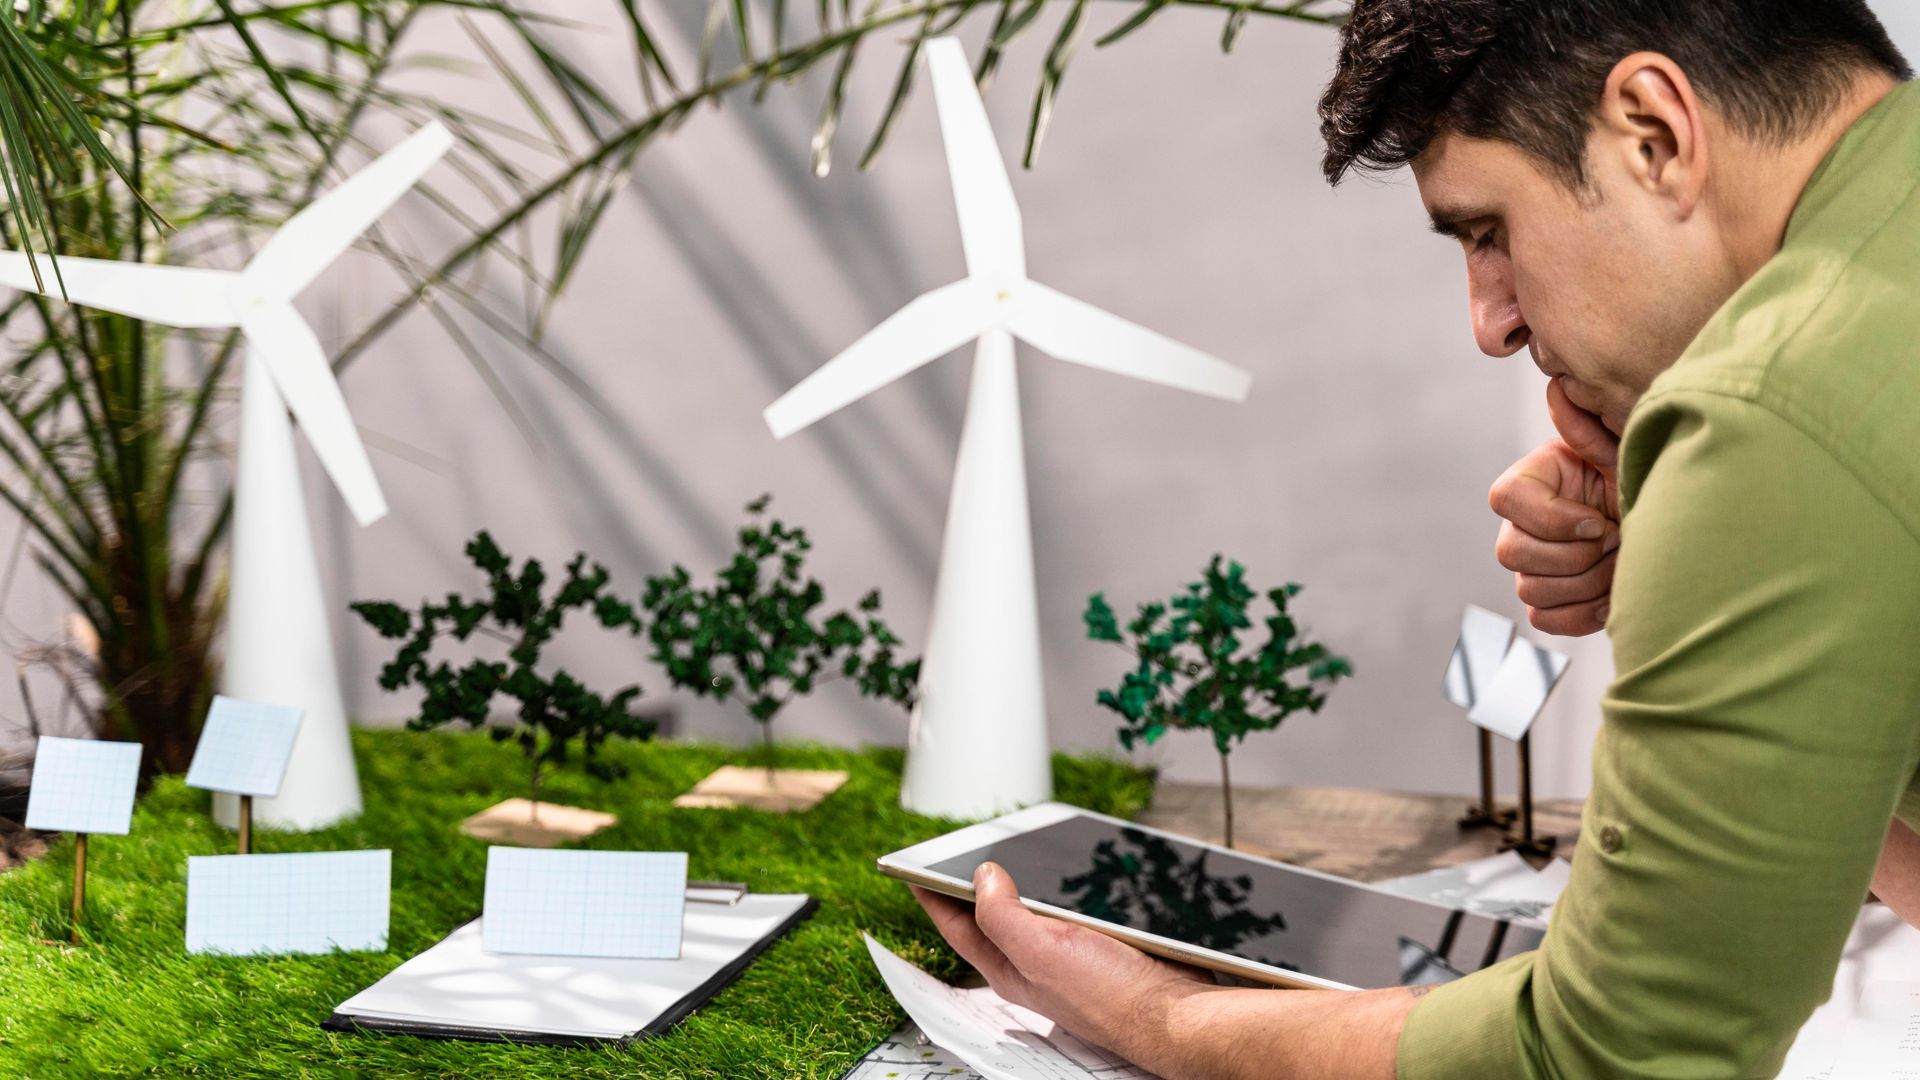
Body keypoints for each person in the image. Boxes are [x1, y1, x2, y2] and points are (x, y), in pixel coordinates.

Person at [910, 2, 1920, 1076]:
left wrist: (1165, 1021)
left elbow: (1614, 1058)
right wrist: (1725, 592)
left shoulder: (1765, 411)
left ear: (1654, 136)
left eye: (1488, 232)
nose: (1492, 323)